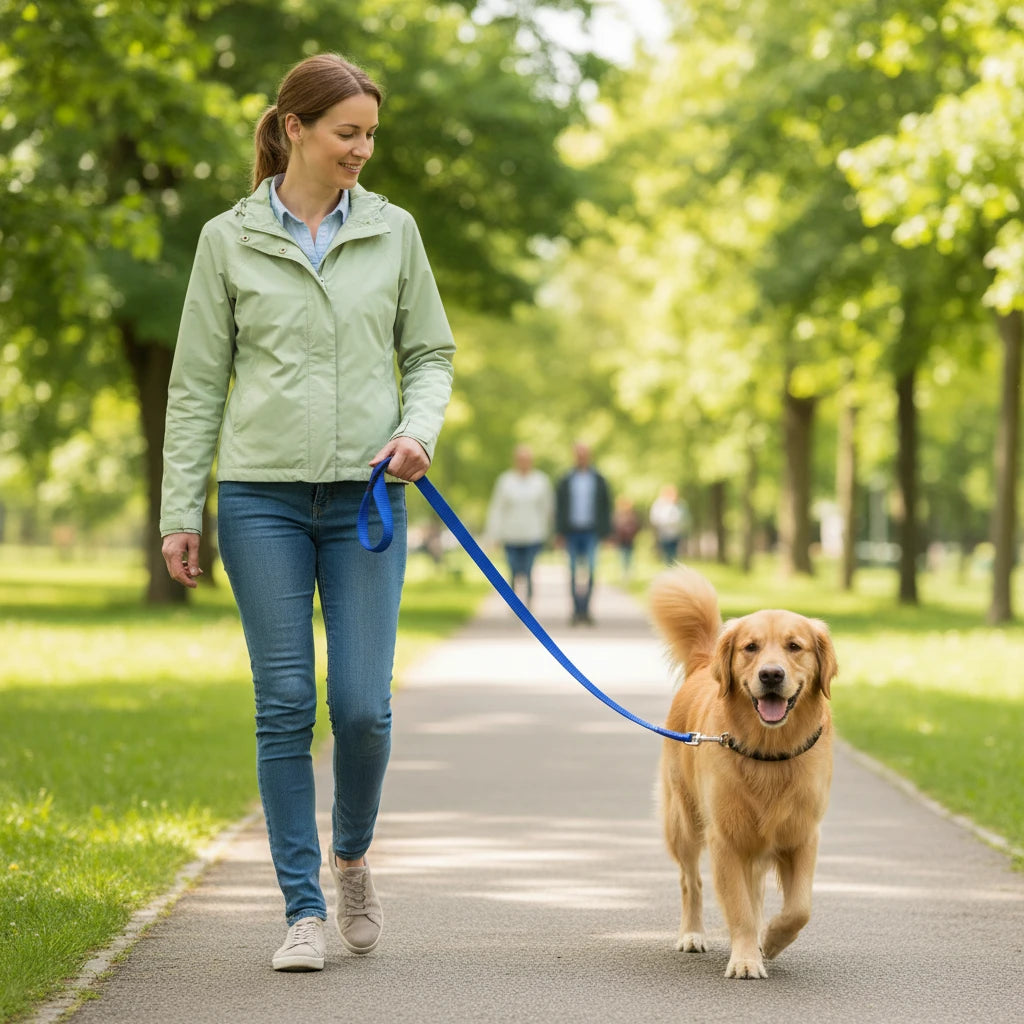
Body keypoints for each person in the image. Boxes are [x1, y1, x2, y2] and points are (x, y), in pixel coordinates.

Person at [158, 54, 455, 973]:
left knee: (363, 707)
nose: (363, 149)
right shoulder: (228, 240)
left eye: (370, 133)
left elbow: (431, 354)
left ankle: (352, 856)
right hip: (261, 498)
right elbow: (198, 384)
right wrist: (181, 510)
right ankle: (300, 909)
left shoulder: (395, 231)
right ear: (295, 129)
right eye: (346, 133)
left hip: (367, 495)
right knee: (284, 704)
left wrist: (416, 432)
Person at [485, 445, 554, 605]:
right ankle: (514, 602)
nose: (524, 462)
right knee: (513, 569)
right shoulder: (505, 481)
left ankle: (528, 602)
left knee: (529, 570)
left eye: (526, 459)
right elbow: (497, 509)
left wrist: (547, 532)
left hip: (533, 534)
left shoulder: (541, 481)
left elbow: (547, 509)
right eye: (520, 459)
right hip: (511, 535)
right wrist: (493, 534)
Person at [554, 441, 612, 625]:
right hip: (571, 532)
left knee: (591, 571)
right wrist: (559, 532)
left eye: (584, 454)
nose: (581, 457)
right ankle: (575, 610)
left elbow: (606, 506)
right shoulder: (566, 479)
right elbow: (559, 508)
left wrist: (607, 532)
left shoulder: (599, 479)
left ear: (589, 456)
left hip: (591, 532)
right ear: (574, 456)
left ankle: (586, 610)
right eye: (578, 454)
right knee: (571, 571)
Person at [650, 484, 687, 564]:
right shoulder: (659, 504)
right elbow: (654, 518)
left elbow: (685, 518)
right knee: (667, 553)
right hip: (664, 533)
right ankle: (668, 567)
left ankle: (673, 568)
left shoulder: (680, 504)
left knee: (674, 553)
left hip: (676, 533)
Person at [612, 496, 641, 583]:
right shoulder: (618, 515)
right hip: (621, 539)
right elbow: (615, 526)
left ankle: (629, 572)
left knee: (629, 555)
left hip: (630, 539)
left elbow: (636, 525)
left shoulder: (632, 515)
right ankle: (623, 572)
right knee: (622, 555)